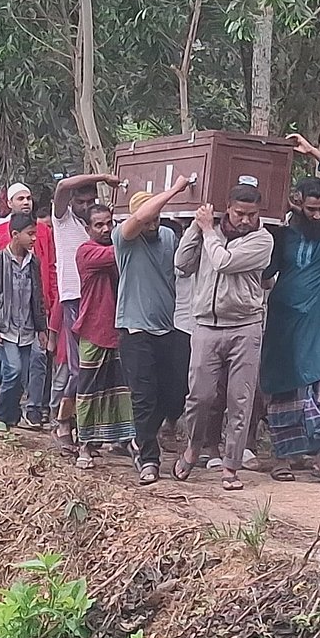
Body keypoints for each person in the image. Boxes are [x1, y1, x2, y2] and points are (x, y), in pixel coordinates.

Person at [260, 133, 320, 484]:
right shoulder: (284, 234)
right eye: (310, 209)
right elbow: (266, 274)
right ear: (298, 204)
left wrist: (314, 153)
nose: (316, 215)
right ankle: (282, 458)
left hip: (318, 322)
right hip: (283, 320)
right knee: (283, 388)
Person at [171, 187, 273, 491]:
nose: (245, 220)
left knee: (239, 400)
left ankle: (231, 465)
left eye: (252, 214)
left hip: (245, 326)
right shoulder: (209, 231)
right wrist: (196, 226)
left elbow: (224, 262)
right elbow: (182, 263)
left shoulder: (262, 240)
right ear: (227, 208)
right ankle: (194, 447)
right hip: (206, 324)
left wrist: (207, 232)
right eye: (239, 213)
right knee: (199, 396)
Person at [114, 178, 193, 485]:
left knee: (174, 394)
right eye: (148, 218)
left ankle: (139, 437)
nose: (152, 223)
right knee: (144, 396)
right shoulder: (124, 238)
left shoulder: (169, 236)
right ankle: (148, 458)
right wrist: (175, 189)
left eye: (157, 218)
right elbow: (140, 217)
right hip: (135, 329)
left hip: (168, 328)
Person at [50, 170, 121, 452]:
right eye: (81, 201)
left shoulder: (100, 228)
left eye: (91, 201)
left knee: (102, 369)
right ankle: (63, 422)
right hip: (74, 299)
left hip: (103, 300)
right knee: (80, 369)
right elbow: (62, 185)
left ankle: (94, 429)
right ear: (71, 202)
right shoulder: (62, 219)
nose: (86, 206)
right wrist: (102, 176)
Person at [0, 182, 57, 427]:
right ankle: (4, 413)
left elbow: (50, 269)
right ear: (9, 203)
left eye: (29, 198)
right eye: (21, 198)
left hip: (33, 316)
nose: (26, 202)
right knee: (13, 369)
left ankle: (33, 408)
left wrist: (49, 307)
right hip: (6, 321)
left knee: (36, 363)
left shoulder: (43, 234)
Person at [73, 204, 134, 469]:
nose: (106, 229)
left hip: (120, 329)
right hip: (93, 329)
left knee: (121, 391)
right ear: (87, 229)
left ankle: (125, 441)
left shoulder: (116, 248)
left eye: (110, 223)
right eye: (98, 225)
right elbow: (118, 251)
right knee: (88, 391)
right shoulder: (86, 251)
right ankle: (84, 445)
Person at [0, 212, 47, 437]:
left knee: (22, 375)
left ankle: (11, 416)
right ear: (15, 234)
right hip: (5, 328)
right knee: (13, 370)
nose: (34, 238)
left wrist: (41, 328)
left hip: (27, 328)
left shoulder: (33, 262)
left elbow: (37, 297)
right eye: (30, 234)